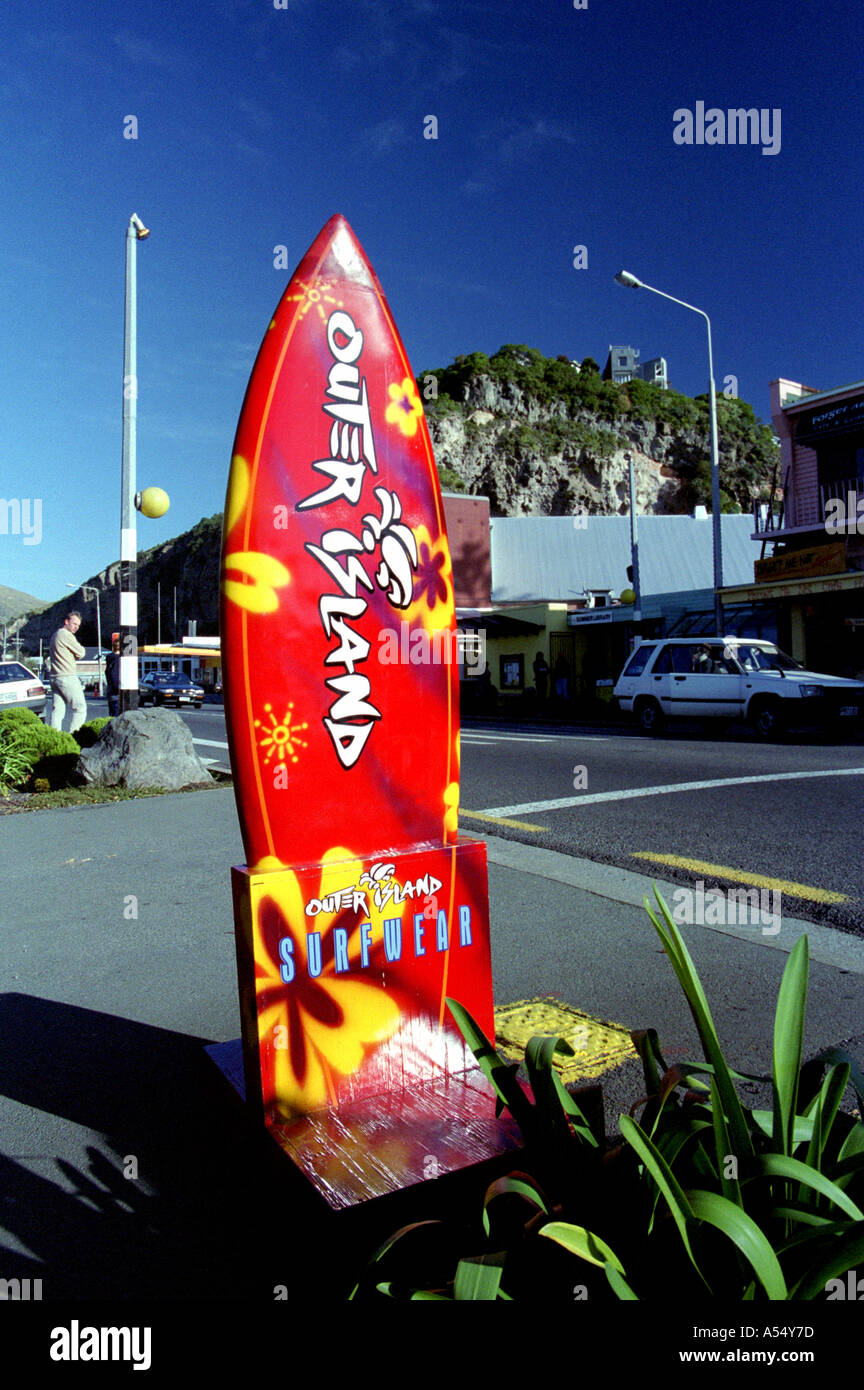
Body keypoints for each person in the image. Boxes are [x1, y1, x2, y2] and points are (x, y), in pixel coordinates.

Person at [48, 610, 87, 732]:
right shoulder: (66, 635)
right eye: (74, 624)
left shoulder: (55, 635)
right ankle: (74, 737)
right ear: (66, 621)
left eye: (78, 625)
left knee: (57, 711)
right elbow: (81, 652)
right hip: (67, 676)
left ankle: (54, 737)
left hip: (54, 676)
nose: (76, 627)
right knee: (80, 708)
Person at [105, 633, 121, 717]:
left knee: (112, 716)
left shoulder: (110, 659)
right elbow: (115, 676)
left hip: (111, 692)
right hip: (117, 693)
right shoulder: (117, 661)